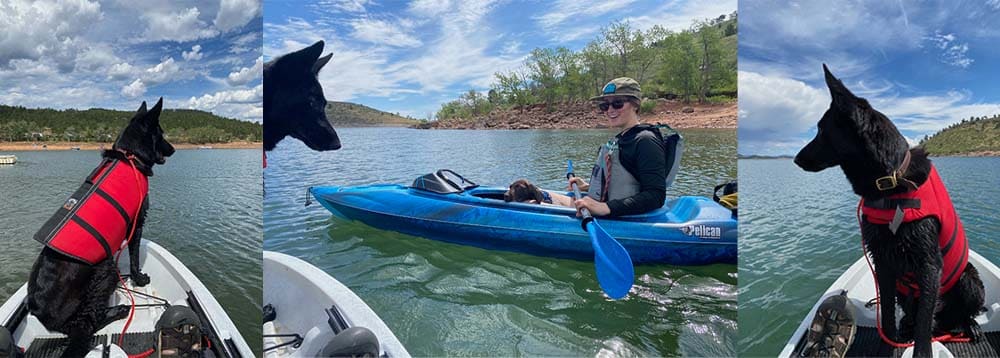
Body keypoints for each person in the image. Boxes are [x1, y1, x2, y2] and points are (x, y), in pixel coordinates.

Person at [567, 77, 667, 217]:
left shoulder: (646, 141)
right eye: (605, 105)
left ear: (635, 104)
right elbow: (627, 185)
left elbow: (656, 196)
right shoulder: (621, 139)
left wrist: (605, 208)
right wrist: (589, 187)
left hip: (622, 218)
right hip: (607, 206)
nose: (610, 110)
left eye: (617, 103)